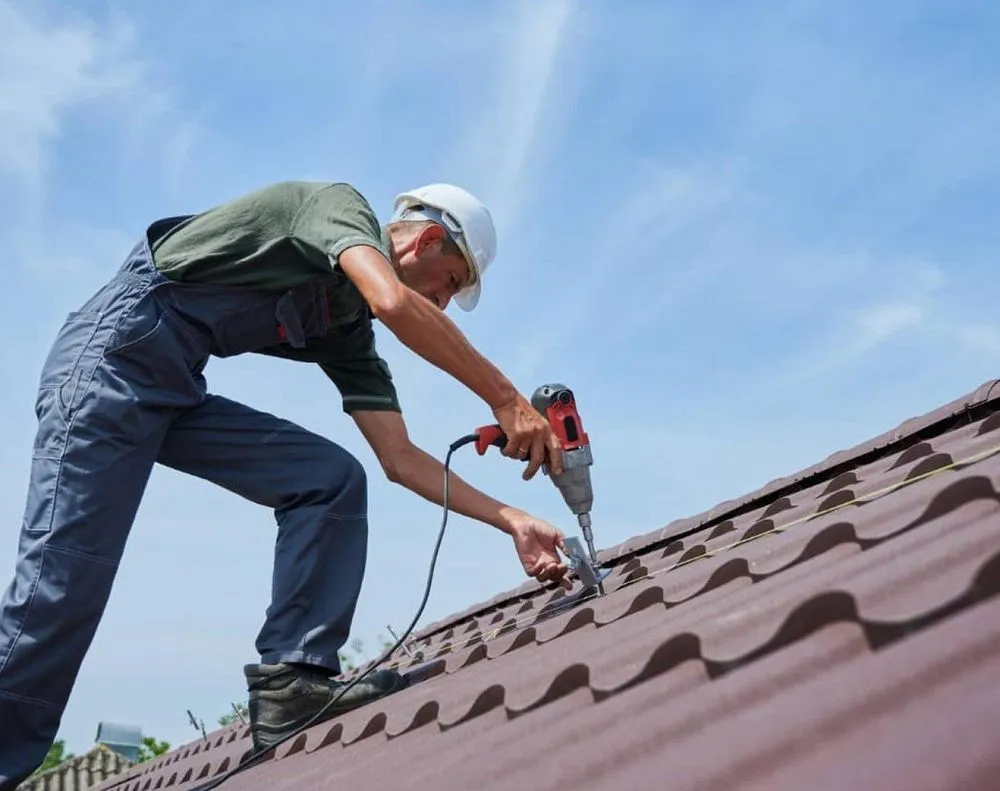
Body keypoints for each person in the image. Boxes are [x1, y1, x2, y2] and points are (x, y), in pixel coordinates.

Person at [0, 180, 572, 784]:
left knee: (329, 479)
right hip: (109, 365)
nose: (445, 302)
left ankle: (291, 683)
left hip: (172, 387)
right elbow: (396, 303)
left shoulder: (346, 323)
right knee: (61, 587)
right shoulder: (336, 208)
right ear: (426, 240)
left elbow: (399, 458)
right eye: (451, 281)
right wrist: (506, 398)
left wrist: (512, 519)